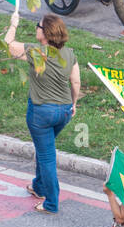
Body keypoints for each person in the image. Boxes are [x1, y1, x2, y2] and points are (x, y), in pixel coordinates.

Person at [6, 12, 80, 214]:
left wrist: (13, 24)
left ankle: (51, 203)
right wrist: (74, 104)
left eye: (39, 26)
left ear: (45, 33)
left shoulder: (35, 51)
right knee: (44, 148)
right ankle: (38, 187)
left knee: (47, 156)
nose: (36, 28)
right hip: (63, 112)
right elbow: (75, 82)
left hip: (41, 114)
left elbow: (8, 45)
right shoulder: (70, 53)